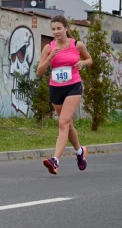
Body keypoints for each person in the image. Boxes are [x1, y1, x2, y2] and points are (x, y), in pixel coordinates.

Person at [37, 15, 92, 175]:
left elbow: (90, 59)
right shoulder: (49, 47)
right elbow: (40, 72)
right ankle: (80, 151)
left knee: (63, 123)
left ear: (66, 28)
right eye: (53, 29)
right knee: (68, 125)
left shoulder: (76, 44)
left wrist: (83, 63)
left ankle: (55, 161)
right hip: (56, 89)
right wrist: (50, 57)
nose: (56, 32)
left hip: (73, 86)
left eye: (59, 28)